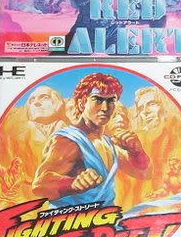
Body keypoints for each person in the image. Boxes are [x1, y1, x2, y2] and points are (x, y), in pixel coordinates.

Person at [32, 72, 150, 208]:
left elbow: (143, 173)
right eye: (97, 100)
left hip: (106, 217)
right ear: (82, 103)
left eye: (111, 100)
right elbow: (40, 184)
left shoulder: (108, 142)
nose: (105, 108)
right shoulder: (68, 141)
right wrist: (72, 184)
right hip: (71, 219)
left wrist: (136, 152)